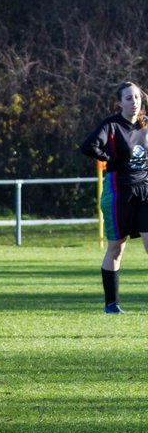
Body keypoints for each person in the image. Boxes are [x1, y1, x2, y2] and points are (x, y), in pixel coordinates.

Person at [80, 80, 148, 314]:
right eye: (128, 98)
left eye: (137, 97)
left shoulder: (146, 124)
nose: (134, 102)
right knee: (117, 248)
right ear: (119, 102)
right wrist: (109, 157)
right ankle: (111, 304)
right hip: (120, 192)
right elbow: (88, 147)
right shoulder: (111, 125)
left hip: (145, 191)